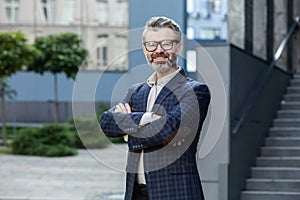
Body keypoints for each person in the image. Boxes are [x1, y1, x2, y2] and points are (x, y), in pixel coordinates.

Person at [100, 16, 210, 200]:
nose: (159, 50)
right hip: (136, 193)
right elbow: (106, 123)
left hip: (176, 193)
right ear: (144, 50)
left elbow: (168, 130)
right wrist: (147, 118)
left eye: (166, 44)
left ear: (178, 47)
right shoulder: (136, 92)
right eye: (151, 45)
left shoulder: (195, 91)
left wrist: (128, 132)